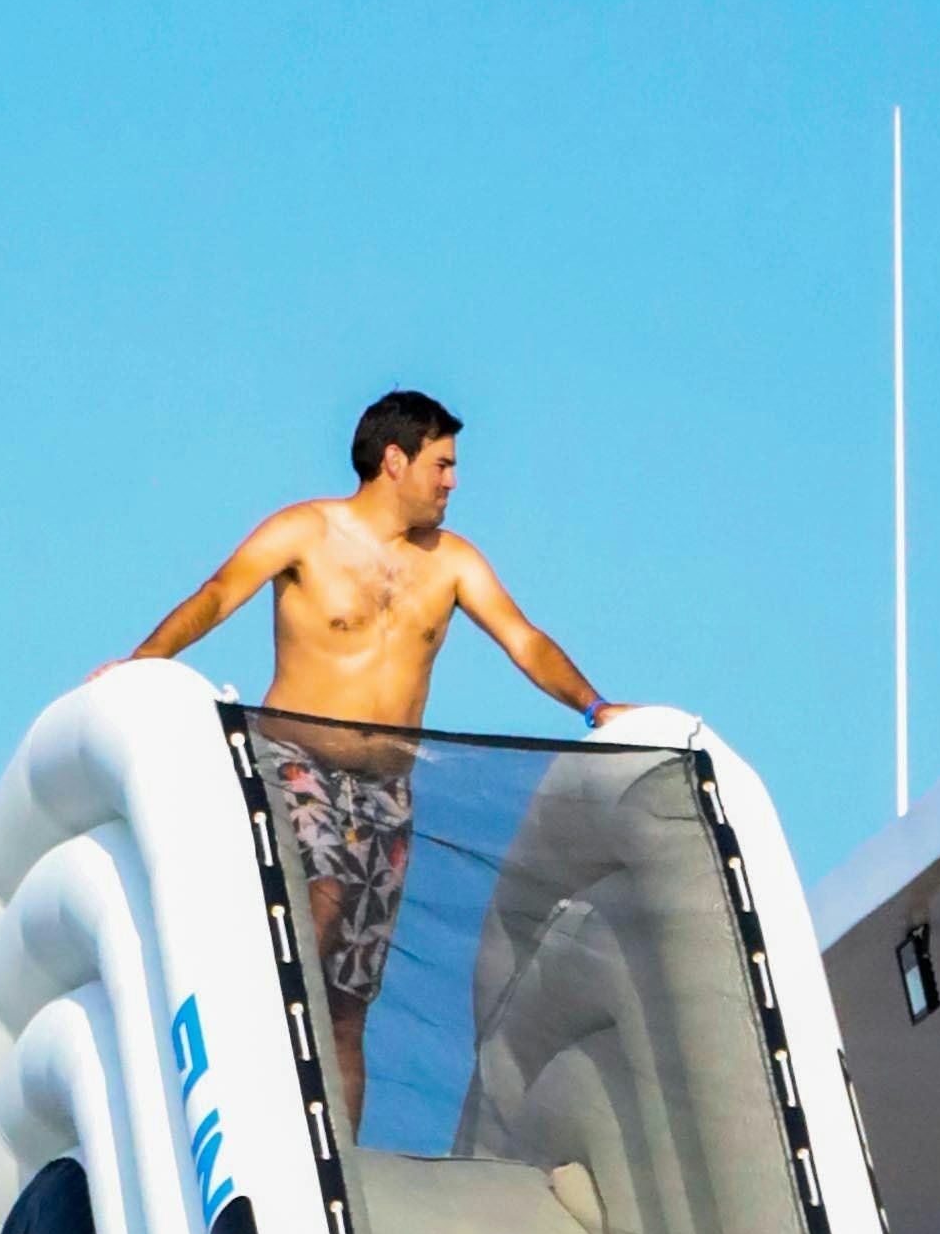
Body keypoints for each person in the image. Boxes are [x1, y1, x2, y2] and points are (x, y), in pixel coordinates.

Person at [127, 394, 614, 1115]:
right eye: (441, 465)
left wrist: (595, 706)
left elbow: (523, 638)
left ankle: (337, 1182)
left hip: (387, 794)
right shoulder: (306, 531)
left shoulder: (450, 562)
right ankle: (250, 1090)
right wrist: (143, 666)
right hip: (296, 762)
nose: (452, 483)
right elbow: (218, 594)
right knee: (317, 896)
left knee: (351, 1003)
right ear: (396, 460)